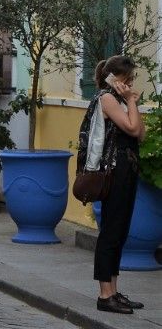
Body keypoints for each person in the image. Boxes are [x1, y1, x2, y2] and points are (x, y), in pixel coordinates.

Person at [84, 55, 146, 314]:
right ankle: (104, 295)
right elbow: (131, 128)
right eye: (128, 79)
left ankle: (114, 290)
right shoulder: (107, 98)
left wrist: (130, 102)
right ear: (114, 78)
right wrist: (131, 100)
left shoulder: (120, 100)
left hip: (127, 168)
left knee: (119, 230)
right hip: (115, 170)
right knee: (111, 230)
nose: (131, 83)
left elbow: (140, 134)